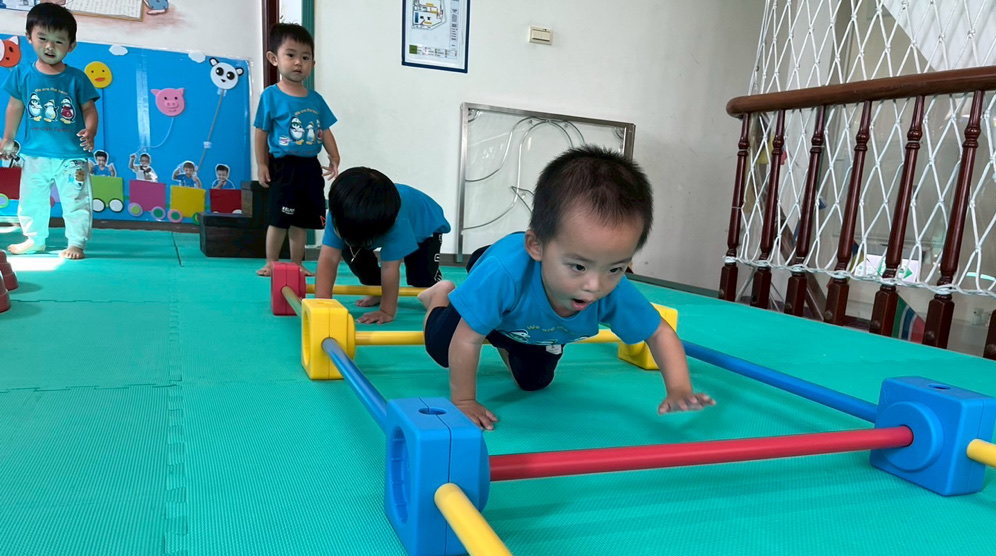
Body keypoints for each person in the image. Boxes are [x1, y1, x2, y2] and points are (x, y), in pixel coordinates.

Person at [419, 145, 714, 430]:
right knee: (442, 349)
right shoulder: (503, 274)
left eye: (615, 268)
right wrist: (465, 401)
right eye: (579, 266)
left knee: (534, 382)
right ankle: (438, 294)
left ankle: (501, 336)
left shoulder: (613, 290)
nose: (595, 286)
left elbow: (659, 332)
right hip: (496, 272)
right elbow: (467, 340)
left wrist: (679, 388)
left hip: (520, 322)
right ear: (537, 246)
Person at [1, 3, 98, 259]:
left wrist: (90, 130)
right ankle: (34, 239)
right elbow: (15, 107)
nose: (49, 46)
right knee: (31, 199)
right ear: (29, 37)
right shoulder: (22, 73)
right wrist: (8, 138)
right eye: (43, 38)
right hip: (36, 153)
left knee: (76, 200)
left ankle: (76, 242)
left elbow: (89, 109)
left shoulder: (76, 78)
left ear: (71, 46)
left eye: (58, 41)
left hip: (72, 156)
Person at [254, 22, 339, 278]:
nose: (298, 62)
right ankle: (271, 261)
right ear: (274, 58)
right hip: (284, 166)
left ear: (313, 63)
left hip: (309, 166)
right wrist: (262, 164)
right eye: (290, 55)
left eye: (305, 57)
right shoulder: (271, 96)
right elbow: (261, 132)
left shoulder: (316, 99)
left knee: (301, 220)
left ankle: (297, 262)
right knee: (279, 217)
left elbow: (326, 130)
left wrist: (334, 156)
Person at [315, 167, 448, 324]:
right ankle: (376, 288)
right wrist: (323, 304)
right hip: (370, 224)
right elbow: (328, 258)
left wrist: (386, 311)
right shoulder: (338, 214)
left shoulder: (396, 222)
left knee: (421, 279)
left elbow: (390, 267)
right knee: (352, 253)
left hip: (425, 226)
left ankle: (439, 289)